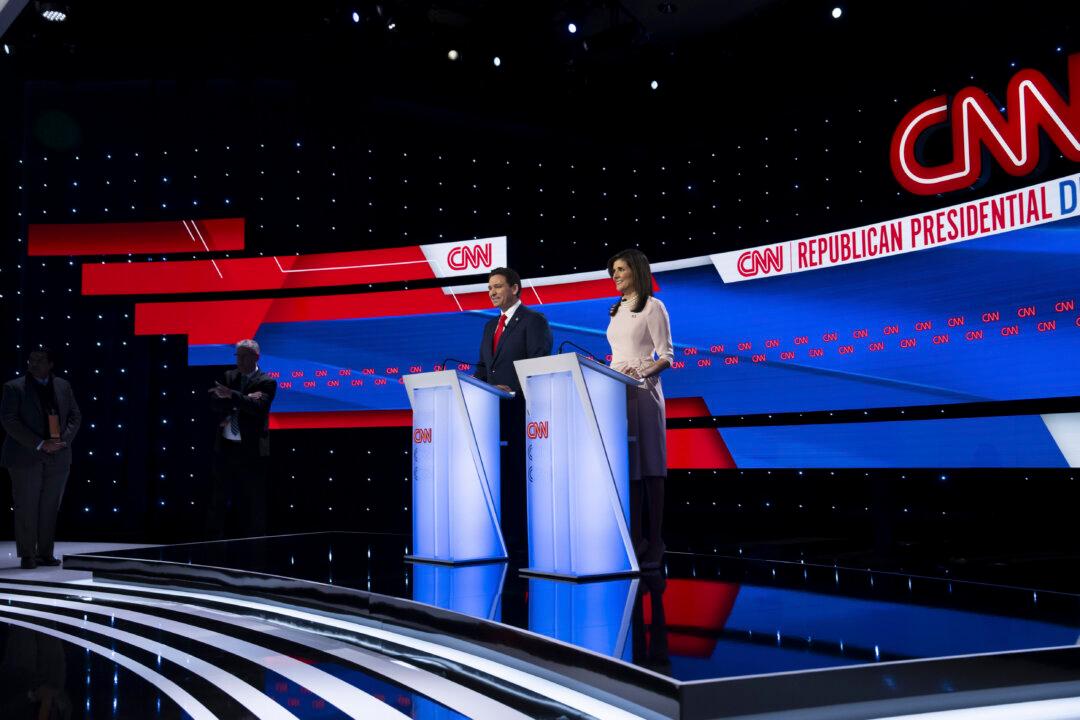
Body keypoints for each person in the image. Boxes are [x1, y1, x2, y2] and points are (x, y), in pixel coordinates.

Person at [474, 267, 553, 554]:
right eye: (489, 288)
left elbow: (539, 364)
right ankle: (499, 536)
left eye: (497, 286)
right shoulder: (488, 327)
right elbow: (483, 367)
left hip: (522, 413)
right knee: (498, 475)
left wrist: (516, 390)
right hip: (491, 414)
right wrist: (473, 388)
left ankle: (521, 540)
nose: (492, 292)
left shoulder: (533, 321)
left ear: (515, 288)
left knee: (518, 475)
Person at [606, 249, 673, 569]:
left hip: (644, 392)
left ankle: (656, 541)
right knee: (629, 467)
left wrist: (643, 371)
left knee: (651, 467)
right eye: (613, 271)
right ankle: (635, 539)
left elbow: (667, 356)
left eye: (621, 269)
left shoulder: (653, 306)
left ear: (637, 271)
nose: (615, 275)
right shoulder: (615, 310)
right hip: (617, 392)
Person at [1, 346, 81, 569]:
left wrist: (63, 440)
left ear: (51, 364)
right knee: (26, 506)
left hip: (59, 455)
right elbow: (9, 421)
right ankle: (28, 555)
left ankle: (45, 553)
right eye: (31, 360)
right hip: (25, 456)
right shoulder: (13, 387)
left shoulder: (63, 385)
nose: (33, 364)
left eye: (39, 360)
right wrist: (40, 443)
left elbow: (75, 415)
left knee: (49, 507)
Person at [207, 338, 276, 539]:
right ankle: (213, 540)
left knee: (253, 499)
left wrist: (232, 397)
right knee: (218, 497)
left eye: (245, 356)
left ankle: (255, 542)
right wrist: (241, 399)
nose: (240, 360)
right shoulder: (229, 376)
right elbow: (215, 404)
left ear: (256, 357)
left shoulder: (267, 381)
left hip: (251, 449)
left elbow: (257, 409)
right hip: (226, 446)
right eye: (238, 356)